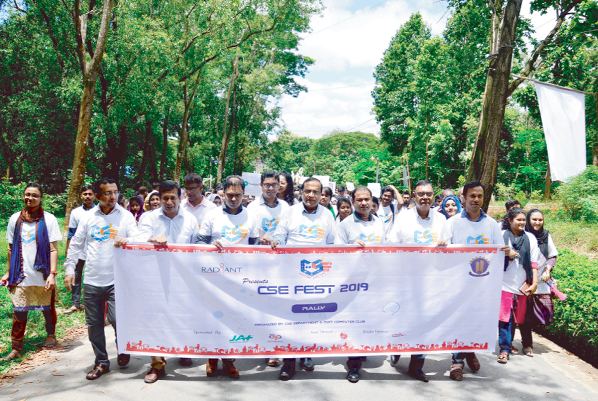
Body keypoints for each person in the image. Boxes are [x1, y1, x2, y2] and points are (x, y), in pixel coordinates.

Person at [64, 178, 139, 380]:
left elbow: (138, 238)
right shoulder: (88, 218)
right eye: (108, 193)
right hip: (92, 279)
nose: (113, 196)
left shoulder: (125, 216)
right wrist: (69, 270)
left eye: (115, 192)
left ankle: (123, 348)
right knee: (94, 324)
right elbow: (76, 244)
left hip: (118, 280)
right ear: (97, 196)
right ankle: (102, 362)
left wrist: (128, 240)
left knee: (117, 319)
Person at [440, 180, 510, 381]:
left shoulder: (491, 224)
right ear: (464, 197)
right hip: (458, 284)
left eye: (480, 196)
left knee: (476, 321)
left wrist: (507, 251)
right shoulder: (452, 223)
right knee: (459, 320)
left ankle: (469, 350)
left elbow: (500, 251)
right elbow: (443, 254)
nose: (476, 199)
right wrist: (443, 245)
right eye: (472, 196)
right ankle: (457, 361)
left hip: (482, 285)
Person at [271, 177, 336, 381]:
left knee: (310, 317)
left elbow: (334, 245)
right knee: (290, 318)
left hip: (317, 276)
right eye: (307, 191)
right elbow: (280, 235)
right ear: (301, 191)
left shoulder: (327, 215)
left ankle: (307, 354)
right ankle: (288, 362)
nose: (311, 195)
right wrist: (276, 241)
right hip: (291, 275)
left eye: (315, 192)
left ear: (320, 194)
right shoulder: (289, 213)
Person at [136, 180, 200, 383]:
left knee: (181, 316)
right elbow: (138, 242)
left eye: (173, 197)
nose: (169, 202)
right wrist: (152, 240)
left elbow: (196, 248)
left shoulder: (190, 220)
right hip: (154, 278)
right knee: (156, 320)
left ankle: (182, 349)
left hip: (182, 279)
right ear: (159, 198)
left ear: (180, 198)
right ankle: (157, 365)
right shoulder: (148, 218)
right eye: (165, 198)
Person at [197, 175, 260, 379]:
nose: (233, 199)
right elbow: (198, 244)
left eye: (238, 195)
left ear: (244, 194)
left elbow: (256, 247)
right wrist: (209, 247)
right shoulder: (211, 215)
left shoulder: (251, 216)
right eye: (230, 195)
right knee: (212, 319)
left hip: (241, 278)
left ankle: (229, 359)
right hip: (214, 277)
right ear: (223, 193)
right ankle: (212, 357)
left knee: (234, 319)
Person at [387, 180, 447, 382]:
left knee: (425, 322)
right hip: (404, 281)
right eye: (421, 194)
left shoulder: (441, 220)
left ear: (433, 196)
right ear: (414, 196)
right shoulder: (403, 218)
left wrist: (444, 246)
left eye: (429, 194)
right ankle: (397, 346)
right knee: (402, 319)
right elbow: (391, 245)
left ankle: (416, 365)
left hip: (431, 282)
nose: (425, 197)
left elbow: (450, 251)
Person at [2, 183, 62, 361]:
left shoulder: (49, 219)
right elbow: (11, 248)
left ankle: (51, 334)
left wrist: (52, 273)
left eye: (34, 195)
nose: (30, 198)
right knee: (19, 311)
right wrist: (7, 272)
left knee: (48, 306)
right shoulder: (15, 219)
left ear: (41, 197)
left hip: (42, 272)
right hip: (21, 272)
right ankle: (16, 347)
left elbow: (53, 249)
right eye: (27, 195)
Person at [334, 186, 385, 383]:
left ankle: (363, 350)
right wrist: (351, 247)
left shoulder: (379, 223)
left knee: (370, 319)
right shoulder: (345, 225)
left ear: (372, 200)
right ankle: (353, 365)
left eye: (367, 199)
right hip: (354, 282)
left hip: (376, 280)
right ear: (353, 201)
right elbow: (337, 253)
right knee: (355, 322)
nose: (364, 203)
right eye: (359, 200)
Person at [247, 170, 289, 368]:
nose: (271, 188)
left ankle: (274, 348)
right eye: (267, 185)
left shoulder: (287, 207)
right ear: (261, 186)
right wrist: (260, 239)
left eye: (274, 185)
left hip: (281, 264)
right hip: (259, 263)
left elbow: (288, 232)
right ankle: (261, 345)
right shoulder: (252, 207)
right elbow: (249, 234)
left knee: (277, 306)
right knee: (260, 306)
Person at [497, 207, 540, 364]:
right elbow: (492, 254)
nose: (522, 223)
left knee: (518, 318)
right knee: (504, 318)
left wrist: (534, 282)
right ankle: (504, 350)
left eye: (523, 220)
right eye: (518, 220)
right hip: (503, 283)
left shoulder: (530, 238)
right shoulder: (502, 236)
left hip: (523, 284)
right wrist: (506, 253)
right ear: (510, 221)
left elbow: (534, 263)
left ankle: (516, 344)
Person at [519, 209, 558, 356]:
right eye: (534, 219)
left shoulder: (546, 235)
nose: (537, 222)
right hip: (526, 280)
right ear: (528, 220)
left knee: (546, 313)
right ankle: (527, 344)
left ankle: (527, 334)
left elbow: (552, 255)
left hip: (542, 281)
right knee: (526, 314)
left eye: (540, 220)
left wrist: (548, 270)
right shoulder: (522, 235)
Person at [64, 185, 96, 315]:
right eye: (85, 194)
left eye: (90, 194)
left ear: (95, 196)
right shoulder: (76, 212)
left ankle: (93, 305)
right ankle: (75, 304)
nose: (87, 196)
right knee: (76, 276)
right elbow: (71, 233)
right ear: (81, 196)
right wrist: (68, 250)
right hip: (79, 250)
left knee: (92, 276)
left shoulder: (99, 211)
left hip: (95, 250)